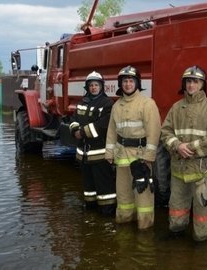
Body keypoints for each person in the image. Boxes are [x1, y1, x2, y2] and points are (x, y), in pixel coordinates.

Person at [160, 65, 207, 242]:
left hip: (201, 171)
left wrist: (192, 147)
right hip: (179, 169)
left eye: (195, 81)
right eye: (188, 81)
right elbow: (165, 132)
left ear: (202, 84)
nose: (191, 85)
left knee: (202, 209)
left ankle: (202, 243)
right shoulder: (176, 107)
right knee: (177, 207)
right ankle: (177, 234)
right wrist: (178, 145)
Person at [105, 65, 161, 230]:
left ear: (137, 83)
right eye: (124, 81)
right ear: (120, 84)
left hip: (140, 157)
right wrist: (109, 153)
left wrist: (148, 157)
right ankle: (124, 226)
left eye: (131, 81)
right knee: (123, 197)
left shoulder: (147, 104)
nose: (128, 84)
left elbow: (154, 131)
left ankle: (145, 230)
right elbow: (111, 131)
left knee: (143, 197)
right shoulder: (117, 106)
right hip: (122, 156)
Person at [69, 71, 116, 216]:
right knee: (88, 186)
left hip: (99, 154)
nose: (94, 88)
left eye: (96, 85)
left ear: (102, 87)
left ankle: (106, 213)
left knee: (104, 187)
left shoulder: (107, 104)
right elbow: (74, 119)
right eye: (91, 85)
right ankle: (90, 209)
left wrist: (82, 132)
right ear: (87, 87)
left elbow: (103, 125)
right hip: (84, 155)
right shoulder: (83, 102)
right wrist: (75, 129)